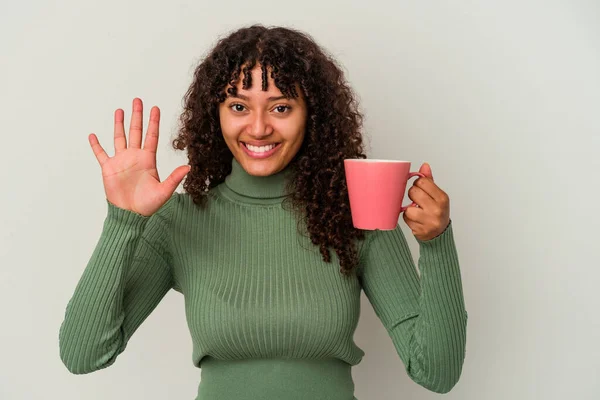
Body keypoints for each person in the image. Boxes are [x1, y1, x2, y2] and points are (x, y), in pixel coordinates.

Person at [58, 24, 468, 399]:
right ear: (214, 114)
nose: (257, 128)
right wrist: (123, 221)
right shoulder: (179, 220)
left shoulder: (356, 215)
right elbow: (84, 354)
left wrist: (436, 243)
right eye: (239, 106)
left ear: (313, 116)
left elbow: (436, 371)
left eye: (281, 107)